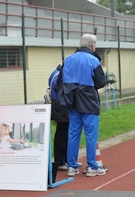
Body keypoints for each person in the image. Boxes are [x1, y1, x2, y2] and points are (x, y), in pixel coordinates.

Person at [57, 34, 107, 177]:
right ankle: (92, 166)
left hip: (72, 101)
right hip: (89, 100)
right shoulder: (93, 59)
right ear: (92, 46)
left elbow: (60, 80)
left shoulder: (68, 59)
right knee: (91, 134)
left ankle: (71, 166)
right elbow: (101, 82)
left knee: (73, 133)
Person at [47, 65, 82, 171]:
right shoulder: (60, 75)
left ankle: (66, 159)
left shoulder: (56, 73)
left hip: (59, 104)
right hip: (61, 106)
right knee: (62, 133)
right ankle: (60, 160)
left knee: (66, 132)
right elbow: (64, 91)